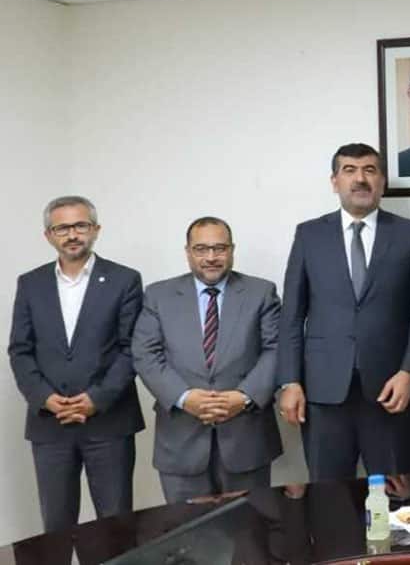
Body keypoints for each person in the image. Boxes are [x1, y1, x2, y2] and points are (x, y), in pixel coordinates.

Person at [277, 143, 410, 481]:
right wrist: (290, 381)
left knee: (396, 496)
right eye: (349, 170)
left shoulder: (409, 235)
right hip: (323, 392)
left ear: (382, 181)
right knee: (329, 496)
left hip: (391, 392)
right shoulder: (309, 235)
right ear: (335, 181)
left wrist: (409, 372)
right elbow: (291, 316)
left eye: (369, 170)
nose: (360, 179)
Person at [7, 195, 145, 532]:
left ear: (96, 229)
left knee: (115, 525)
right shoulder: (30, 283)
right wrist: (44, 398)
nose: (72, 235)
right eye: (62, 228)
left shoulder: (125, 279)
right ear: (48, 235)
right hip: (50, 423)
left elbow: (132, 348)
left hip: (109, 421)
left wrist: (97, 398)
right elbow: (20, 349)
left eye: (80, 226)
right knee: (56, 527)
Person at [132, 216, 283, 503]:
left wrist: (244, 397)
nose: (211, 257)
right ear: (188, 252)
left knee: (248, 526)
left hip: (246, 439)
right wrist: (184, 397)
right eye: (201, 249)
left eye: (219, 248)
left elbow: (276, 349)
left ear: (232, 250)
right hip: (180, 440)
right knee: (188, 528)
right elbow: (145, 353)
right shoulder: (159, 295)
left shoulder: (261, 292)